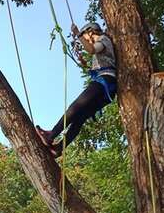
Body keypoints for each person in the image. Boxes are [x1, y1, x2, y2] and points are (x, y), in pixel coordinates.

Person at [36, 22, 117, 157]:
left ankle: (51, 135)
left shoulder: (103, 39)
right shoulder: (104, 45)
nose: (85, 39)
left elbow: (91, 49)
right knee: (79, 118)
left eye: (86, 36)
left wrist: (78, 34)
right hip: (108, 87)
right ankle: (58, 149)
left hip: (104, 82)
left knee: (75, 107)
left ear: (91, 32)